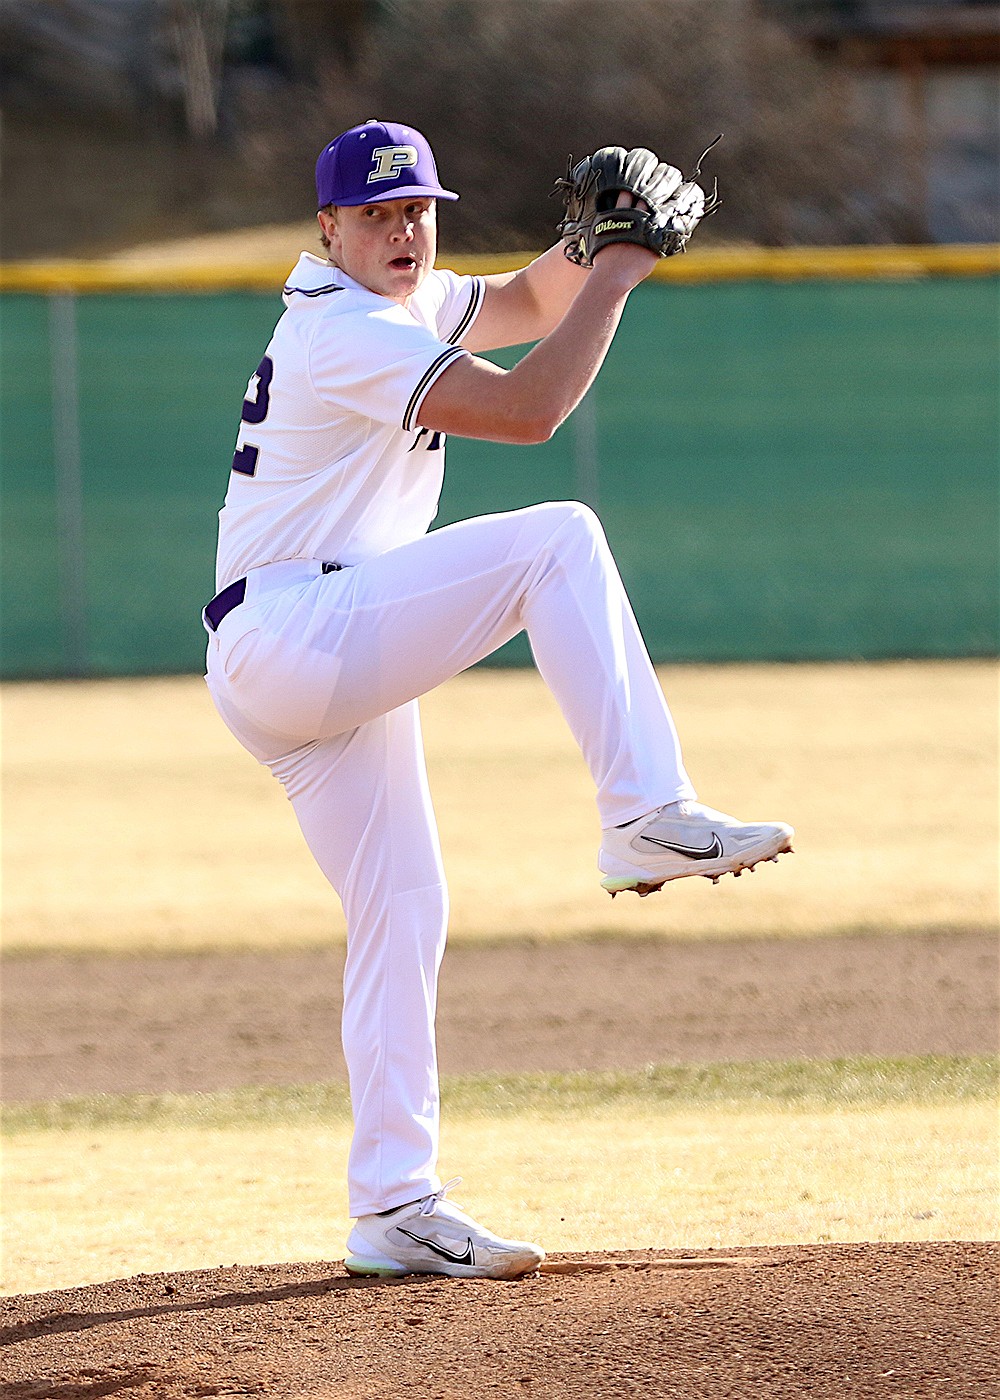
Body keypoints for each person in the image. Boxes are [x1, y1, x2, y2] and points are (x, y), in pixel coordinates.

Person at [203, 119, 792, 1281]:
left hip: (304, 645)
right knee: (556, 541)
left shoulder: (393, 301)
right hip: (298, 629)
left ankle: (394, 1203)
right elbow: (529, 411)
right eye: (377, 213)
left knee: (404, 908)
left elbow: (523, 303)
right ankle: (643, 810)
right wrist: (624, 266)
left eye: (417, 207)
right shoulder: (344, 328)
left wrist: (586, 246)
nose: (403, 229)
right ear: (327, 230)